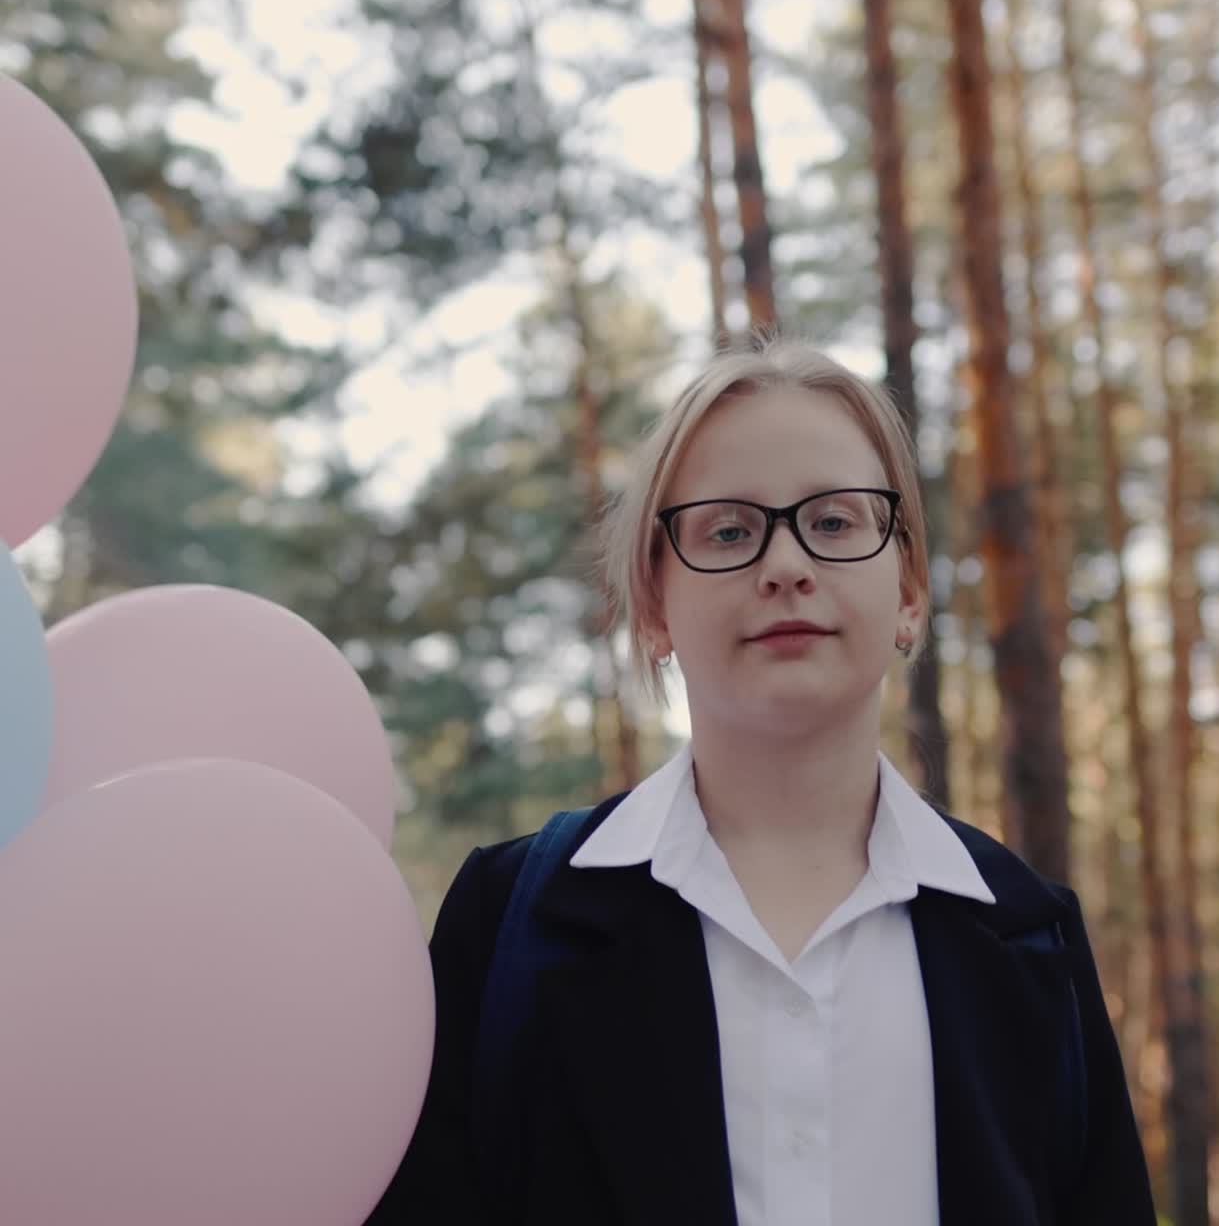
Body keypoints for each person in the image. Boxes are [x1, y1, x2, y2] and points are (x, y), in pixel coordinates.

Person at [369, 340, 1155, 1225]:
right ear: (656, 605)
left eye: (834, 521)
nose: (786, 564)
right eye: (730, 530)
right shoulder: (507, 919)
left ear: (907, 591)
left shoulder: (1031, 936)